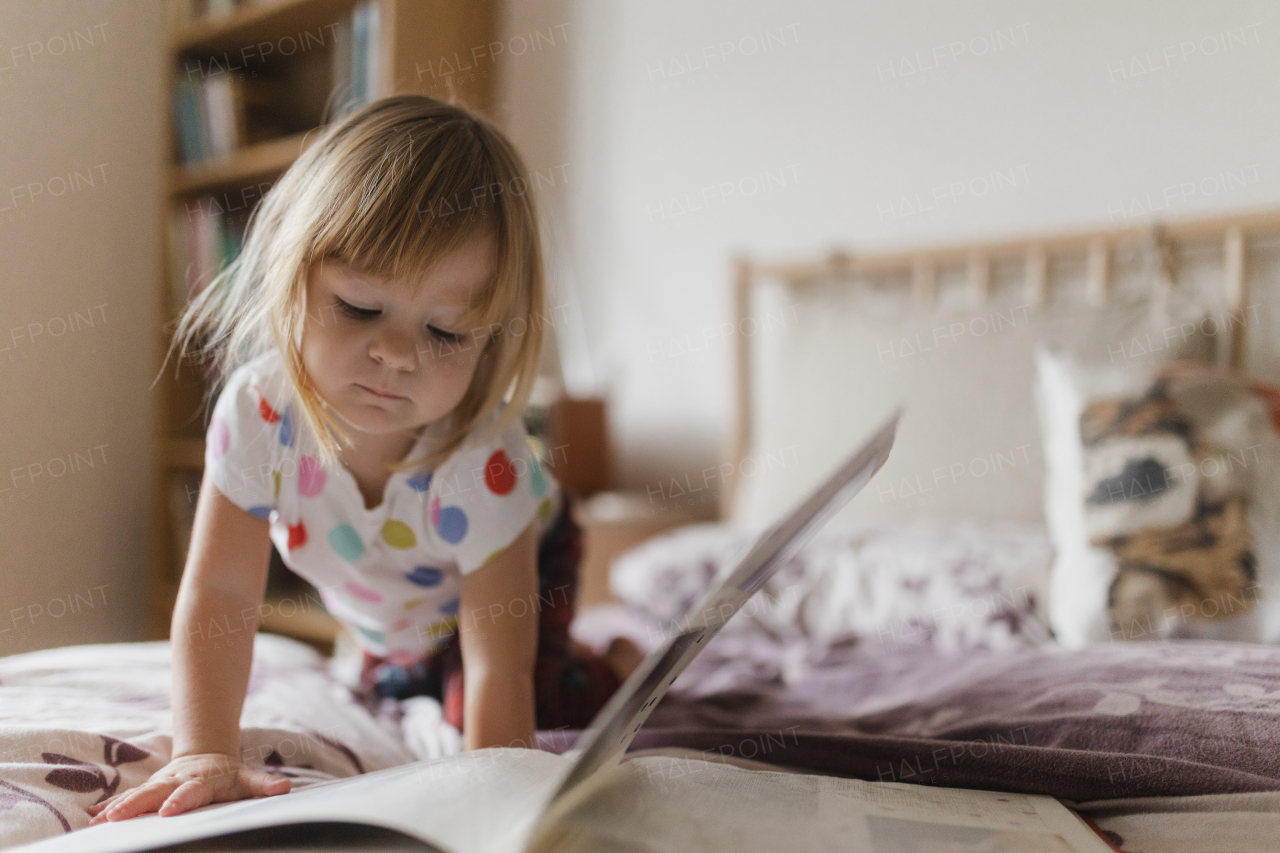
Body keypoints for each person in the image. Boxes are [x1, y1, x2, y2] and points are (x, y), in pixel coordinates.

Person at [89, 95, 643, 824]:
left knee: (520, 689)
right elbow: (222, 593)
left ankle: (617, 663)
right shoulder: (259, 415)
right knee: (399, 674)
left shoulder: (483, 459)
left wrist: (490, 803)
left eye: (445, 332)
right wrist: (203, 749)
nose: (396, 354)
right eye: (359, 307)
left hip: (520, 566)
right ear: (296, 276)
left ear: (491, 342)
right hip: (395, 601)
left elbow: (493, 665)